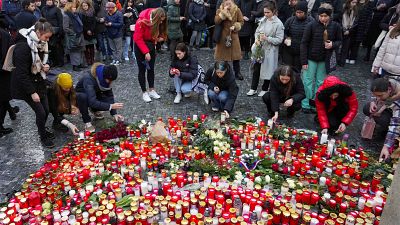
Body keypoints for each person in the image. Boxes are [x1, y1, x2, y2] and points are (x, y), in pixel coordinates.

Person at [10, 19, 55, 148]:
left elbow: (44, 61)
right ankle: (43, 136)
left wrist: (47, 66)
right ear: (38, 32)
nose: (47, 41)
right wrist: (32, 92)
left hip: (38, 79)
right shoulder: (23, 46)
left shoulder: (41, 43)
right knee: (40, 111)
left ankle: (42, 129)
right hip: (26, 85)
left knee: (46, 110)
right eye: (46, 37)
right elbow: (21, 73)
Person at [300, 3, 342, 113]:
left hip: (324, 59)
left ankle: (316, 102)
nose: (323, 18)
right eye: (321, 16)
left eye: (325, 16)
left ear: (330, 15)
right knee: (307, 81)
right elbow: (304, 43)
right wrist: (304, 61)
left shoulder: (336, 26)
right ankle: (305, 103)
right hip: (310, 58)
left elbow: (339, 41)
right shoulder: (311, 25)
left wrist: (332, 44)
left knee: (320, 82)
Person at [247, 1, 284, 97]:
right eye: (265, 12)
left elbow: (279, 39)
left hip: (270, 50)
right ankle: (253, 88)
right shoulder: (263, 20)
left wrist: (267, 38)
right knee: (256, 68)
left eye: (268, 12)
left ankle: (265, 88)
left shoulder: (278, 23)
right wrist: (257, 40)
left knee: (268, 70)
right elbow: (257, 32)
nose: (266, 14)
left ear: (273, 11)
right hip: (260, 48)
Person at [75, 63, 124, 132]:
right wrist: (110, 106)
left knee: (104, 100)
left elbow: (109, 95)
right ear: (104, 76)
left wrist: (114, 113)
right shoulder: (88, 78)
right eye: (110, 80)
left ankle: (95, 110)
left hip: (94, 93)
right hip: (81, 95)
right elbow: (92, 101)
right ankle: (87, 122)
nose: (111, 82)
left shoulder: (106, 77)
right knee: (84, 98)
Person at [133, 7, 167, 102]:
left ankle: (152, 90)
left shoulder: (156, 16)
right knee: (142, 70)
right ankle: (144, 92)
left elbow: (154, 33)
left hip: (151, 45)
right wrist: (146, 52)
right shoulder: (141, 21)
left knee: (151, 69)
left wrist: (158, 38)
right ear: (156, 17)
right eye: (160, 20)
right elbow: (137, 38)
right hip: (140, 47)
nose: (161, 22)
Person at [363, 78, 400, 160]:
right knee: (367, 108)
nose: (378, 98)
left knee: (388, 123)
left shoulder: (398, 99)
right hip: (389, 108)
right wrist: (373, 102)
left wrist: (386, 146)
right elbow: (375, 94)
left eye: (380, 96)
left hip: (397, 116)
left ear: (389, 90)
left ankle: (388, 132)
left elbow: (395, 124)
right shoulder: (388, 83)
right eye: (376, 96)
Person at [214, 0, 244, 80]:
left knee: (236, 57)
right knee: (223, 57)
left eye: (229, 3)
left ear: (232, 2)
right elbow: (216, 21)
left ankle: (237, 73)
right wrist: (223, 13)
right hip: (222, 36)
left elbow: (241, 21)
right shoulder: (219, 10)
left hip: (233, 36)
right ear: (223, 3)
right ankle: (224, 72)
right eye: (226, 3)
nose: (228, 4)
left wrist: (235, 26)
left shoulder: (237, 10)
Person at [282, 1, 314, 73]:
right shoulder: (290, 20)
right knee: (288, 70)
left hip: (302, 51)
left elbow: (314, 36)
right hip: (289, 49)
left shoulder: (311, 21)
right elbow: (283, 32)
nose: (298, 14)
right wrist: (286, 38)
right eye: (297, 12)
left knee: (297, 72)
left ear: (305, 12)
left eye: (301, 12)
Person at [0, 16, 15, 137]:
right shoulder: (4, 35)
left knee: (3, 98)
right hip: (3, 72)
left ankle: (11, 113)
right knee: (3, 98)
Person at [63, 1, 86, 72]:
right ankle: (75, 66)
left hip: (79, 34)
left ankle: (79, 63)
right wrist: (73, 33)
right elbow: (65, 28)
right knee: (74, 51)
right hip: (73, 36)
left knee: (80, 49)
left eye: (75, 7)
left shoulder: (76, 14)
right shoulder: (66, 16)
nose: (75, 9)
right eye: (73, 7)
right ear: (69, 8)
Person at [42, 0, 64, 67]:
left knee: (58, 47)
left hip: (55, 32)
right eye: (48, 0)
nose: (49, 2)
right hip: (47, 31)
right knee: (49, 47)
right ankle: (53, 62)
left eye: (50, 0)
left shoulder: (57, 9)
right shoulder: (43, 9)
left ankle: (60, 61)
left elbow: (60, 20)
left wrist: (60, 31)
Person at [340, 0, 359, 65]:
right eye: (353, 2)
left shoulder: (356, 11)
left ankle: (342, 61)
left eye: (356, 3)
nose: (354, 4)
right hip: (341, 30)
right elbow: (340, 20)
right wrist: (343, 29)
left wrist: (349, 30)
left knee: (345, 47)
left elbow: (356, 22)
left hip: (350, 31)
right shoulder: (343, 9)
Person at [105, 1, 124, 65]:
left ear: (112, 8)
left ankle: (118, 60)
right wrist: (105, 23)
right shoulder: (107, 14)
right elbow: (106, 21)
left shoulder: (119, 14)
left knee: (118, 48)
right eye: (107, 8)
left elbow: (121, 24)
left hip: (117, 34)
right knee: (112, 48)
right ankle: (114, 59)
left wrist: (112, 24)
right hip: (110, 34)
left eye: (109, 8)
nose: (108, 10)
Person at [79, 0, 97, 66]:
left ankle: (92, 59)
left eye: (86, 5)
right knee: (86, 47)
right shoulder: (80, 14)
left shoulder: (92, 12)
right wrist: (87, 30)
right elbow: (81, 24)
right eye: (83, 6)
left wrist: (91, 30)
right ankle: (88, 60)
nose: (85, 7)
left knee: (92, 46)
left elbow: (94, 22)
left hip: (92, 32)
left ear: (88, 6)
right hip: (85, 32)